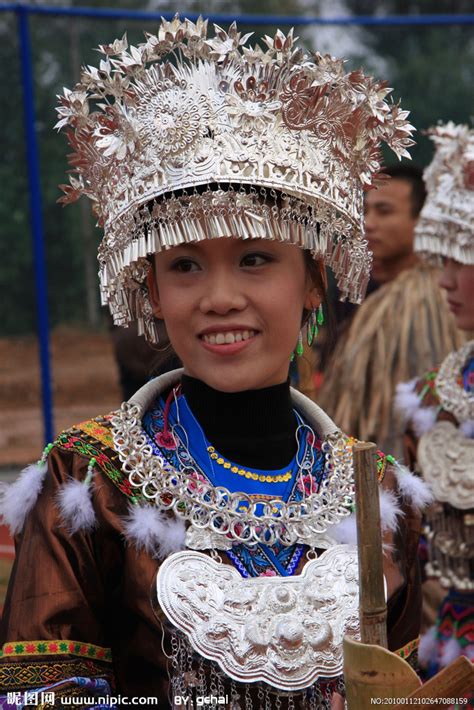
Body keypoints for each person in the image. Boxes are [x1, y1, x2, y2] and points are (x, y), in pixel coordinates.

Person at [0, 18, 428, 709]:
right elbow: (40, 697)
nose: (220, 298)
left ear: (312, 281)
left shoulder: (377, 496)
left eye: (256, 259)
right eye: (186, 265)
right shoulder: (90, 484)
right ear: (154, 292)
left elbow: (408, 694)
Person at [394, 123, 474, 683]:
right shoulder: (433, 394)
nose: (444, 282)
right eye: (441, 260)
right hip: (453, 648)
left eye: (461, 259)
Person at [318, 162, 463, 458]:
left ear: (423, 220)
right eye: (365, 211)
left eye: (384, 211)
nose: (368, 223)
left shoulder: (433, 302)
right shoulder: (362, 295)